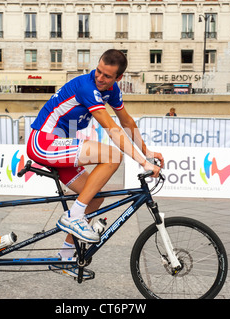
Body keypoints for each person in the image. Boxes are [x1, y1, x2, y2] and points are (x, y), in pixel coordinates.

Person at [27, 49, 163, 277]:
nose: (100, 78)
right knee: (112, 156)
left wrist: (147, 151)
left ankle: (64, 257)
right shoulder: (86, 87)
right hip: (43, 141)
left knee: (94, 197)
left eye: (107, 76)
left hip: (61, 144)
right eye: (98, 71)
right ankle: (73, 217)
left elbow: (126, 120)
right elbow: (112, 129)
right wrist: (143, 163)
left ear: (118, 79)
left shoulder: (112, 90)